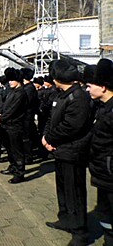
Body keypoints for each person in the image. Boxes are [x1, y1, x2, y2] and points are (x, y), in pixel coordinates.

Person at [42, 59, 93, 246]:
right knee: (62, 189)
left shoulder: (78, 97)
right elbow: (51, 118)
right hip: (60, 151)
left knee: (75, 193)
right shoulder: (61, 95)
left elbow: (71, 126)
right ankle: (65, 219)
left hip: (73, 152)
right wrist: (46, 137)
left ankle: (79, 232)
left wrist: (50, 139)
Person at [85, 59, 113, 246]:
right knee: (106, 215)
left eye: (89, 85)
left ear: (103, 87)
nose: (87, 89)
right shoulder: (102, 108)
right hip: (103, 173)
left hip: (110, 174)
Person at [0, 67, 28, 184]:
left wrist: (2, 117)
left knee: (17, 150)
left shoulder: (21, 93)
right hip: (7, 125)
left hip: (16, 125)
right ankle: (13, 166)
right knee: (10, 149)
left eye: (12, 80)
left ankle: (20, 173)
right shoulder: (12, 92)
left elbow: (13, 110)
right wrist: (0, 113)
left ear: (18, 80)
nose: (9, 82)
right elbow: (5, 106)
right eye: (9, 80)